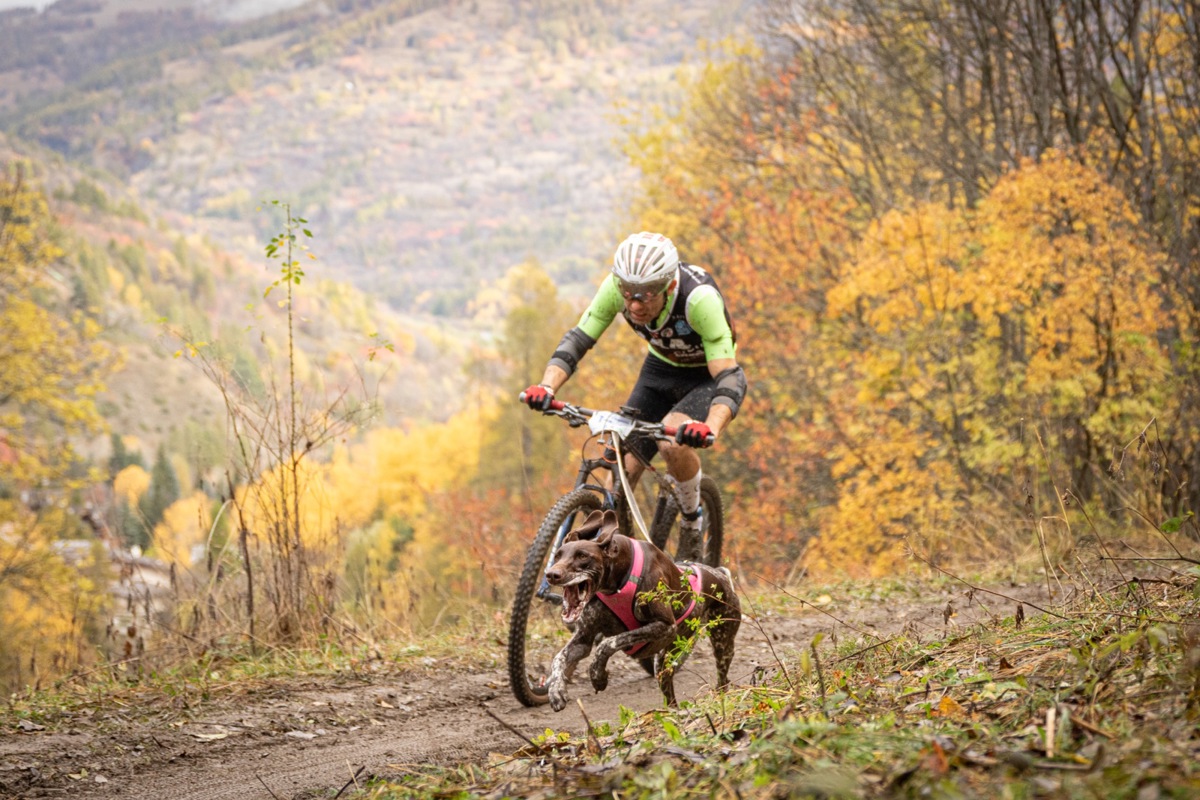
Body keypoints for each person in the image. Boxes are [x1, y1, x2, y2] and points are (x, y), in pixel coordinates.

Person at [521, 231, 748, 562]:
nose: (634, 305)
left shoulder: (698, 299)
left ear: (669, 286)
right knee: (620, 471)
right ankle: (622, 567)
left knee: (672, 441)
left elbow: (729, 375)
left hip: (707, 375)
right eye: (628, 295)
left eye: (645, 296)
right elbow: (578, 339)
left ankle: (691, 521)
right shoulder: (616, 289)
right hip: (660, 370)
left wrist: (710, 426)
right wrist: (546, 387)